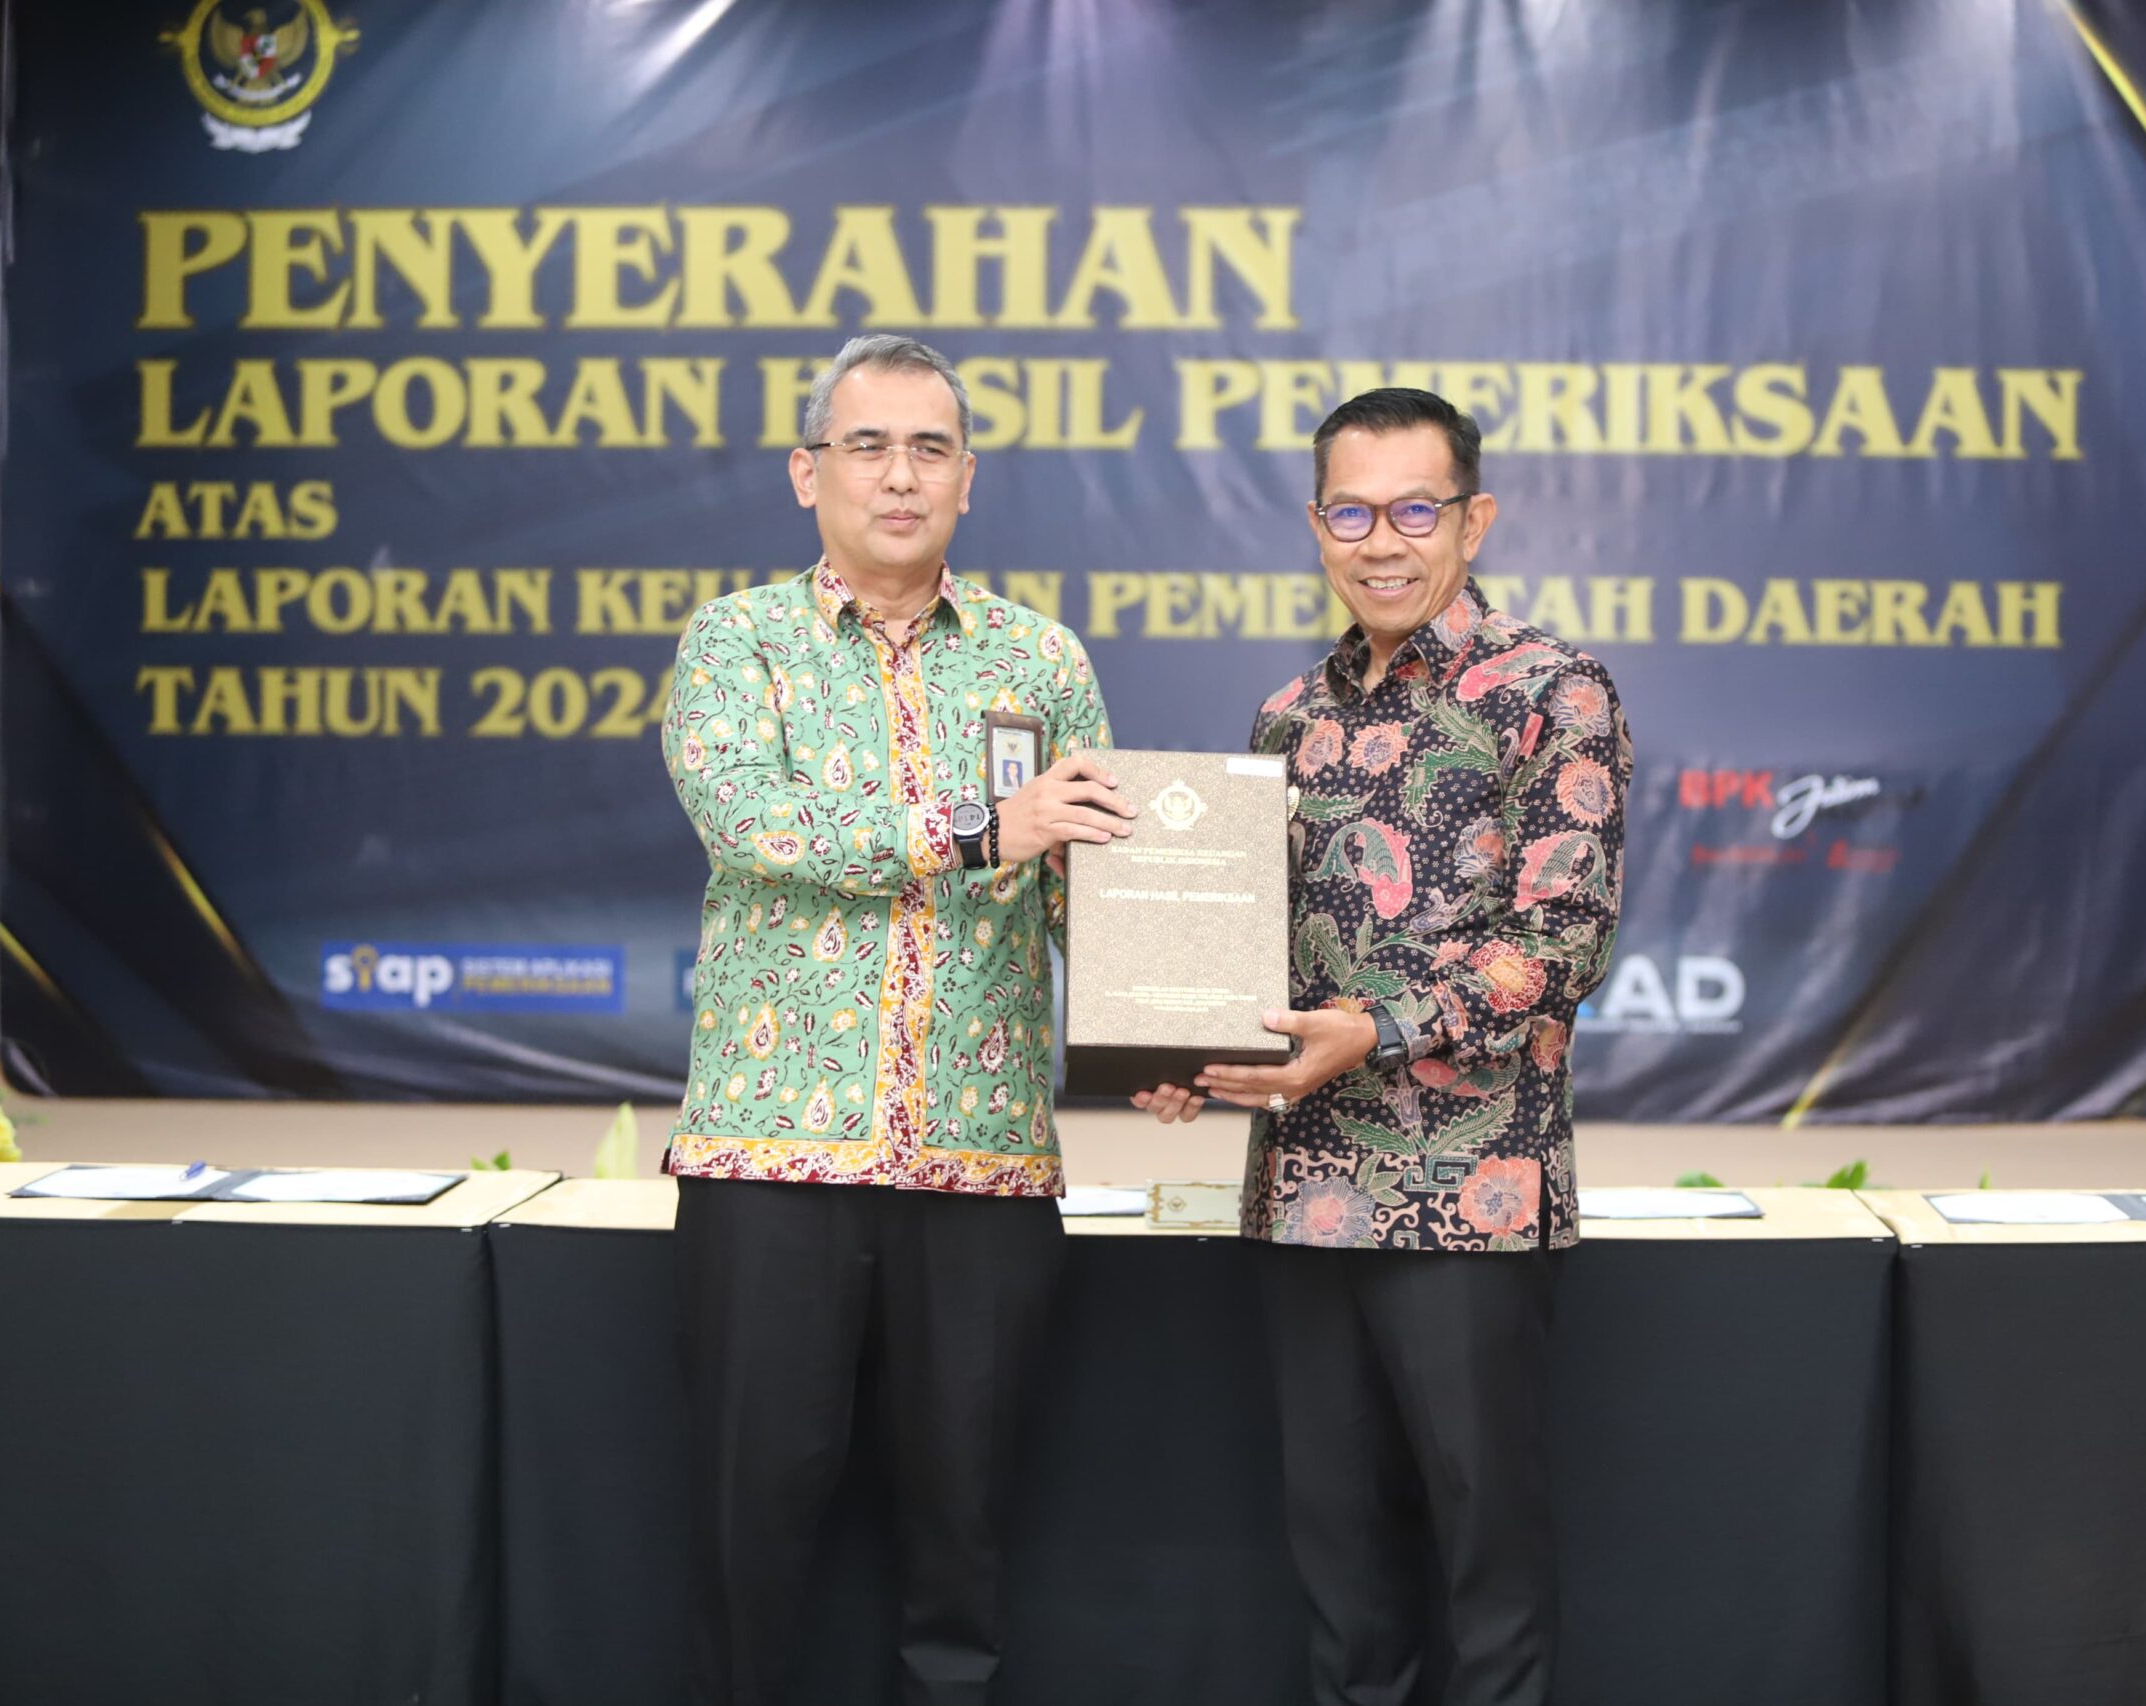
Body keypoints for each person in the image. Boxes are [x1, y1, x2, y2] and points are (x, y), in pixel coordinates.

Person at [1137, 386, 1634, 1705]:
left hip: (1472, 1197)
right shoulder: (1286, 716)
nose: (1384, 543)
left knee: (1488, 1569)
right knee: (1341, 1580)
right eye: (1352, 514)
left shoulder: (1553, 689)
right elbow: (1248, 949)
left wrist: (1374, 1030)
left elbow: (1563, 938)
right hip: (1305, 1195)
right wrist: (1186, 1044)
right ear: (1317, 526)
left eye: (1416, 510)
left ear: (1475, 519)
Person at [660, 333, 1132, 1706]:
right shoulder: (737, 642)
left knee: (964, 1542)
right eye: (867, 445)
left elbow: (1085, 881)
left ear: (969, 479)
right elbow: (757, 824)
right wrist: (984, 826)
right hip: (772, 1159)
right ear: (807, 472)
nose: (901, 475)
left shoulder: (1040, 660)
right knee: (750, 1527)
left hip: (981, 1165)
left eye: (931, 447)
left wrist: (1156, 1033)